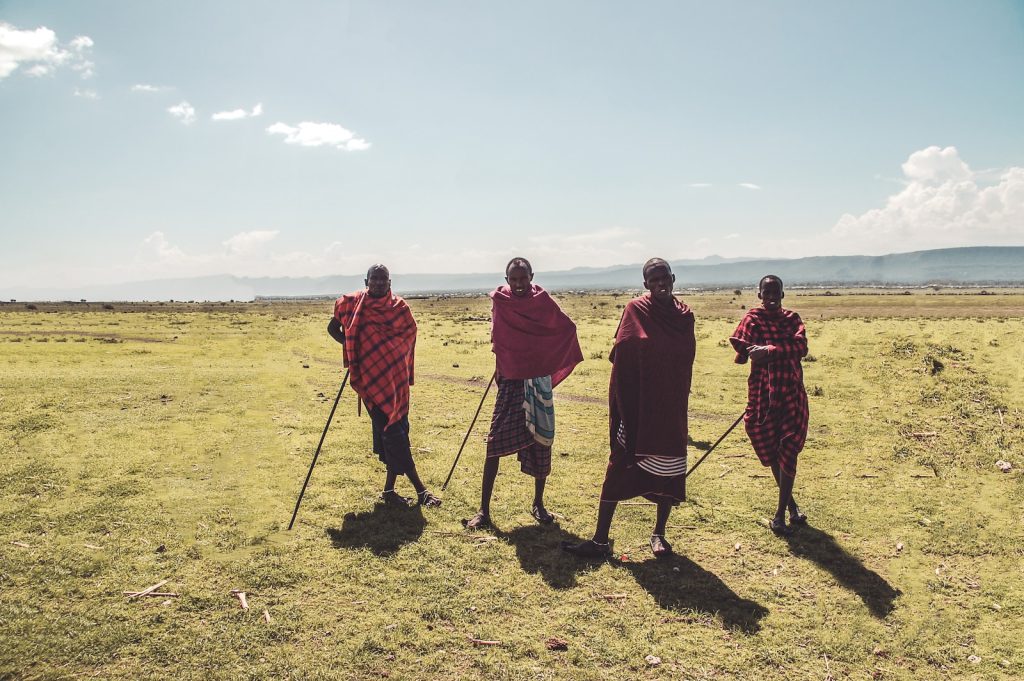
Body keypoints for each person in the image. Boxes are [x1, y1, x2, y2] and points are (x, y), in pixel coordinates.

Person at [563, 258, 695, 558]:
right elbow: (621, 353)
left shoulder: (684, 316)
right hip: (636, 405)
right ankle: (600, 540)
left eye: (665, 278)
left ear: (673, 278)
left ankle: (659, 534)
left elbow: (684, 358)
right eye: (654, 279)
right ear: (645, 283)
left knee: (669, 469)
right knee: (618, 469)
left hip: (670, 406)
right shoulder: (636, 310)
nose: (660, 283)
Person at [464, 257, 583, 529]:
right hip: (509, 380)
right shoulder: (500, 301)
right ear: (507, 280)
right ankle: (484, 510)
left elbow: (566, 328)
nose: (518, 284)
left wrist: (545, 357)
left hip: (537, 381)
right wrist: (503, 354)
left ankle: (538, 503)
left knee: (542, 442)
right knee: (494, 444)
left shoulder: (542, 301)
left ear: (532, 276)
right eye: (513, 279)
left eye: (523, 278)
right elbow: (498, 336)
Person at [327, 264, 441, 508]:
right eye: (374, 279)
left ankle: (389, 490)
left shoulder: (399, 309)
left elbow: (410, 336)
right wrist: (352, 348)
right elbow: (333, 327)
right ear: (366, 280)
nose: (379, 283)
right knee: (393, 434)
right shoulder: (351, 304)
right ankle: (421, 491)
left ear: (390, 282)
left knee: (398, 430)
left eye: (383, 279)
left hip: (396, 381)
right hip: (370, 381)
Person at [729, 274, 808, 536]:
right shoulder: (753, 318)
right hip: (762, 396)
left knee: (789, 448)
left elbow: (801, 346)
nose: (772, 297)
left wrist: (769, 351)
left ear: (783, 295)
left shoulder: (792, 319)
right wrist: (751, 351)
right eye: (767, 292)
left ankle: (779, 515)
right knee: (772, 449)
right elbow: (739, 341)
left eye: (777, 292)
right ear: (759, 295)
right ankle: (791, 505)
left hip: (791, 394)